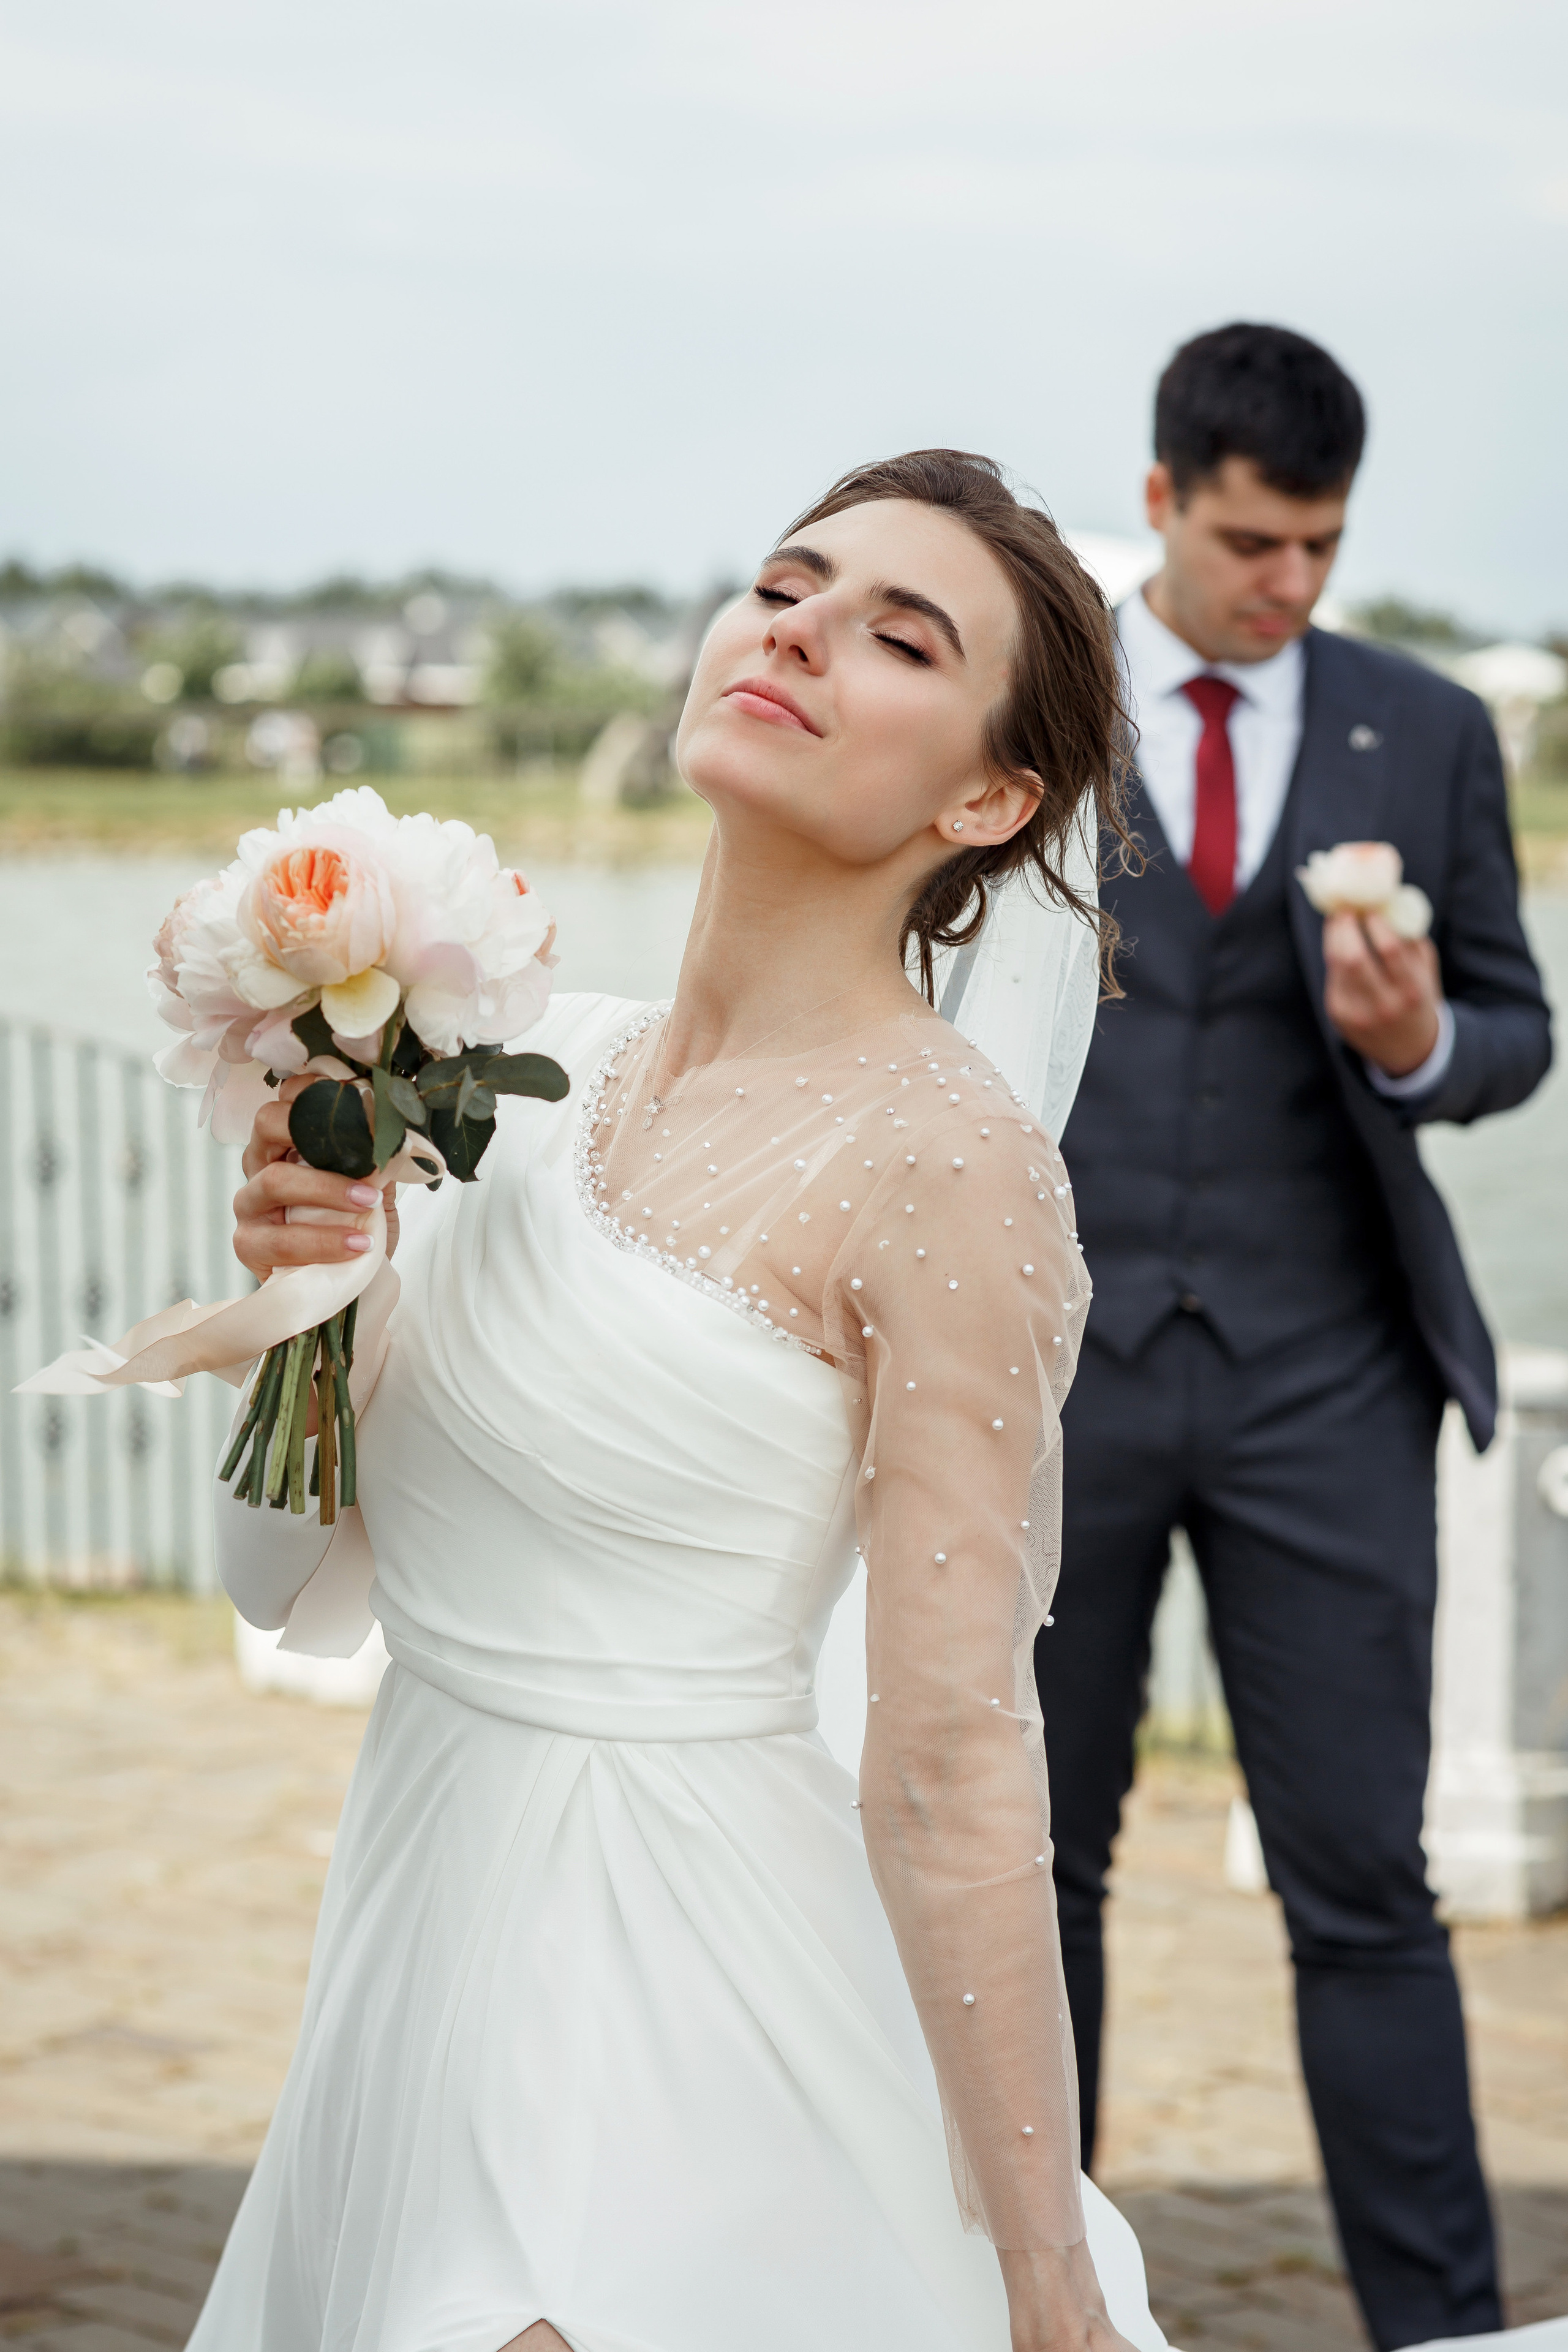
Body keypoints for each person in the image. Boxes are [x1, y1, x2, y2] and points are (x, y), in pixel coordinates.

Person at [188, 451, 1171, 2352]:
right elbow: (262, 1581)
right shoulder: (512, 1066)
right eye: (787, 583)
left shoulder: (948, 1168)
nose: (799, 628)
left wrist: (1048, 2292)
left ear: (988, 795)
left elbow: (955, 1754)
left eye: (898, 635)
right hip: (415, 1930)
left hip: (678, 1985)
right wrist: (299, 1287)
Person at [1036, 325, 1553, 2351]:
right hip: (1049, 1377)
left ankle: (1445, 2334)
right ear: (1161, 499)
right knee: (1030, 1873)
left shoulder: (1423, 730)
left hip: (1330, 1380)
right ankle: (1027, 2305)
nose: (1292, 586)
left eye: (1323, 545)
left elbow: (1514, 1019)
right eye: (1255, 540)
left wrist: (1423, 1038)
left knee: (1368, 1886)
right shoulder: (1030, 701)